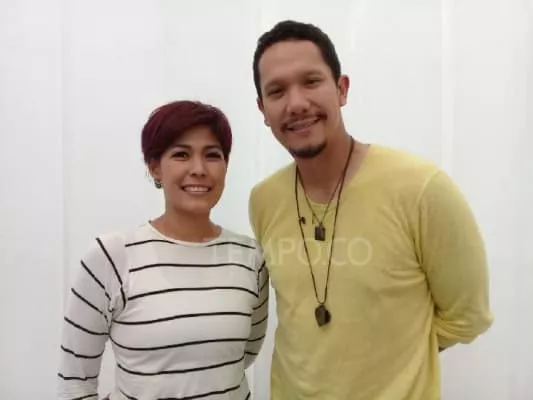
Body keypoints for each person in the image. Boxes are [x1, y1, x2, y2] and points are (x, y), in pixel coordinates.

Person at [248, 20, 493, 399]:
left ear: (341, 89)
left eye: (311, 81)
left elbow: (468, 316)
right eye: (277, 91)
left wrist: (400, 358)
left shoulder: (421, 188)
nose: (295, 103)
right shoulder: (263, 200)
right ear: (263, 110)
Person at [57, 100, 269, 400]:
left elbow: (240, 357)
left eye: (212, 155)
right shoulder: (111, 256)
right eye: (181, 154)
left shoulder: (249, 257)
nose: (199, 169)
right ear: (155, 167)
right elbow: (75, 383)